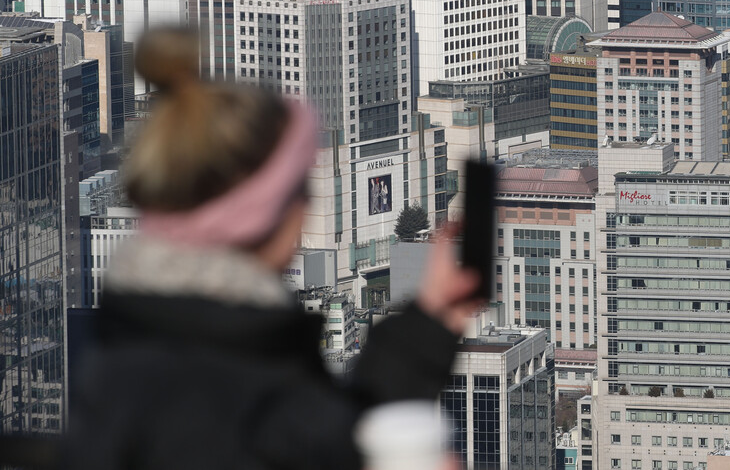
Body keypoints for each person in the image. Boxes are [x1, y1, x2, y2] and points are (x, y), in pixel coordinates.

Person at [66, 28, 483, 470]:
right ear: (270, 212)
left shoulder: (140, 341)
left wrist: (427, 323)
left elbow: (336, 428)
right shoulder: (244, 380)